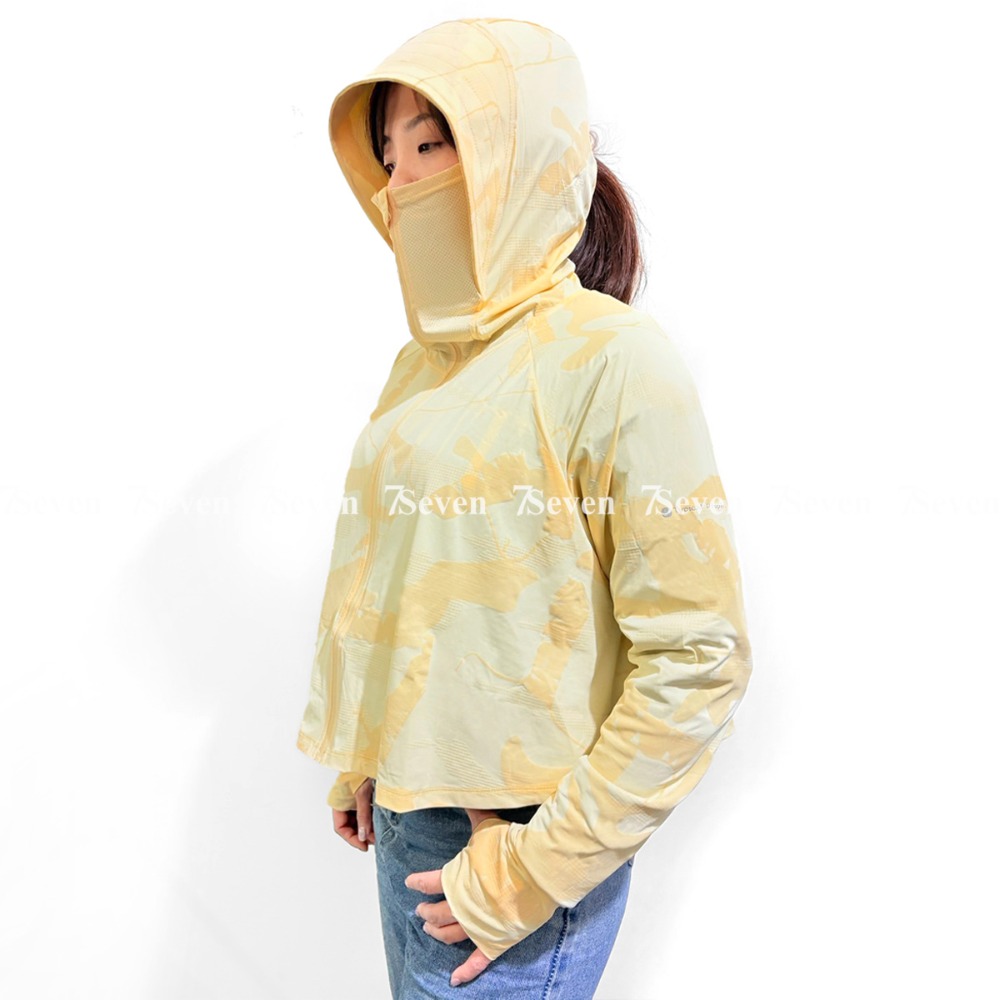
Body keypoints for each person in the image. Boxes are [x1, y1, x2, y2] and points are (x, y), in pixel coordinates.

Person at [296, 17, 754, 998]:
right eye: (389, 156)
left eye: (432, 142)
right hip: (409, 816)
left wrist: (536, 869)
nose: (401, 181)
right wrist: (372, 748)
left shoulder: (615, 358)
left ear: (521, 151)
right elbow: (408, 571)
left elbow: (698, 656)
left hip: (524, 839)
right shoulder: (420, 365)